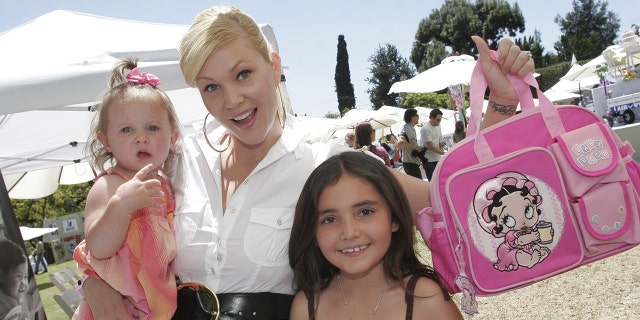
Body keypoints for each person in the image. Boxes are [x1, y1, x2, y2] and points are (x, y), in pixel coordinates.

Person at [80, 5, 534, 318]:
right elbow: (113, 238)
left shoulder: (323, 160)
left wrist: (503, 105)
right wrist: (94, 286)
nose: (232, 100)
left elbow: (456, 195)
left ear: (274, 66)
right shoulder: (176, 160)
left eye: (244, 74)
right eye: (211, 87)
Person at [289, 152, 462, 319]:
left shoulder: (428, 300)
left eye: (365, 212)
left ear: (394, 218)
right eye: (329, 219)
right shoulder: (306, 307)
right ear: (312, 233)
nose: (349, 233)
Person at [72, 58, 183, 319]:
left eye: (153, 127)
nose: (141, 137)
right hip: (112, 301)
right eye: (126, 129)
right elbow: (98, 248)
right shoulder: (109, 185)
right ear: (105, 140)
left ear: (173, 136)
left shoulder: (168, 184)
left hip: (151, 301)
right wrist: (120, 206)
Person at [0, 240, 29, 320]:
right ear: (1, 276)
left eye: (25, 277)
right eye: (18, 276)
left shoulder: (15, 297)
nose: (24, 283)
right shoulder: (4, 307)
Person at [397, 108, 425, 179]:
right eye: (417, 115)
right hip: (410, 163)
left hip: (412, 163)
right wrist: (415, 147)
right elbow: (400, 142)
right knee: (418, 186)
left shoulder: (410, 128)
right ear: (412, 117)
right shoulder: (407, 128)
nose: (418, 117)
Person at [420, 108, 445, 181]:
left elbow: (439, 138)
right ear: (431, 118)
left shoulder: (438, 126)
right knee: (432, 181)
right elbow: (431, 146)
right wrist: (444, 153)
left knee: (440, 180)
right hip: (429, 159)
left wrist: (441, 143)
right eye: (438, 120)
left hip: (437, 157)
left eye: (440, 119)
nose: (439, 122)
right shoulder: (425, 128)